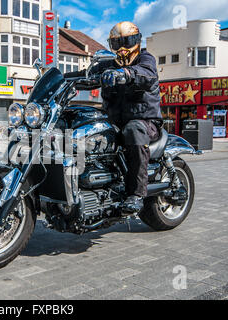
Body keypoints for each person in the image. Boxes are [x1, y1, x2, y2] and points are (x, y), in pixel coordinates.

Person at [64, 21, 162, 214]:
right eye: (118, 43)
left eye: (127, 41)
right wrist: (58, 78)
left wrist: (125, 73)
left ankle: (136, 193)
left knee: (133, 130)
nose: (123, 48)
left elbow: (146, 74)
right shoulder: (108, 65)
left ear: (137, 40)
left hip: (145, 122)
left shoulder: (145, 60)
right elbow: (84, 75)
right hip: (114, 122)